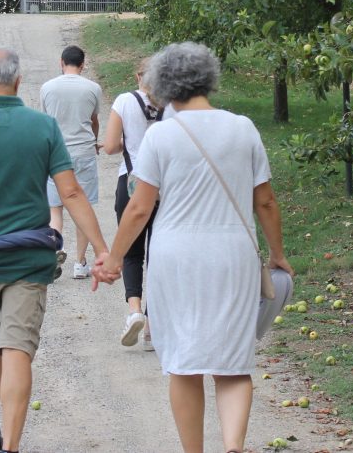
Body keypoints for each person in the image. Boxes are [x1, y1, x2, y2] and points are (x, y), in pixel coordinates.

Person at [93, 42, 295, 453]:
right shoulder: (243, 128)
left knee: (184, 364)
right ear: (209, 78)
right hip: (233, 254)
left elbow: (139, 208)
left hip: (177, 256)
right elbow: (266, 202)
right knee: (232, 361)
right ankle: (233, 446)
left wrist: (113, 259)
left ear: (162, 84)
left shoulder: (160, 136)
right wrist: (277, 254)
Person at [0, 46, 110, 453]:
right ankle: (11, 446)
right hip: (29, 260)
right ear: (18, 81)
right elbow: (71, 192)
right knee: (17, 348)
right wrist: (102, 249)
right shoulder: (42, 127)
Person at [100, 58, 160, 349]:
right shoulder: (172, 105)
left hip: (131, 182)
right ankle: (151, 325)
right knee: (158, 254)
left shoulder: (124, 101)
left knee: (132, 252)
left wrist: (128, 142)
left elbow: (111, 146)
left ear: (139, 76)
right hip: (163, 187)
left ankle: (134, 309)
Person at [39, 45, 103, 279]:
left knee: (55, 208)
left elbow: (45, 122)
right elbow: (94, 120)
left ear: (61, 62)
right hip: (83, 150)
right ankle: (80, 263)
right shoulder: (93, 88)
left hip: (56, 152)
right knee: (82, 207)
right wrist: (94, 141)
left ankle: (55, 249)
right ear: (83, 64)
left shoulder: (47, 88)